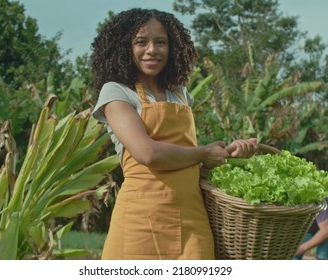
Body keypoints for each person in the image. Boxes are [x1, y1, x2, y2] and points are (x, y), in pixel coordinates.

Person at [91, 8, 258, 260]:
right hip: (141, 222)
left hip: (192, 217)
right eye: (141, 42)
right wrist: (203, 153)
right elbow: (147, 152)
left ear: (174, 47)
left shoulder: (179, 92)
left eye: (161, 42)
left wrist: (227, 153)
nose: (152, 50)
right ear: (123, 47)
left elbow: (184, 151)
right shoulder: (116, 92)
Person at [294, 194, 328, 260]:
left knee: (323, 253)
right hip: (312, 223)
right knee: (291, 253)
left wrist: (302, 248)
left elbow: (327, 232)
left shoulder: (316, 199)